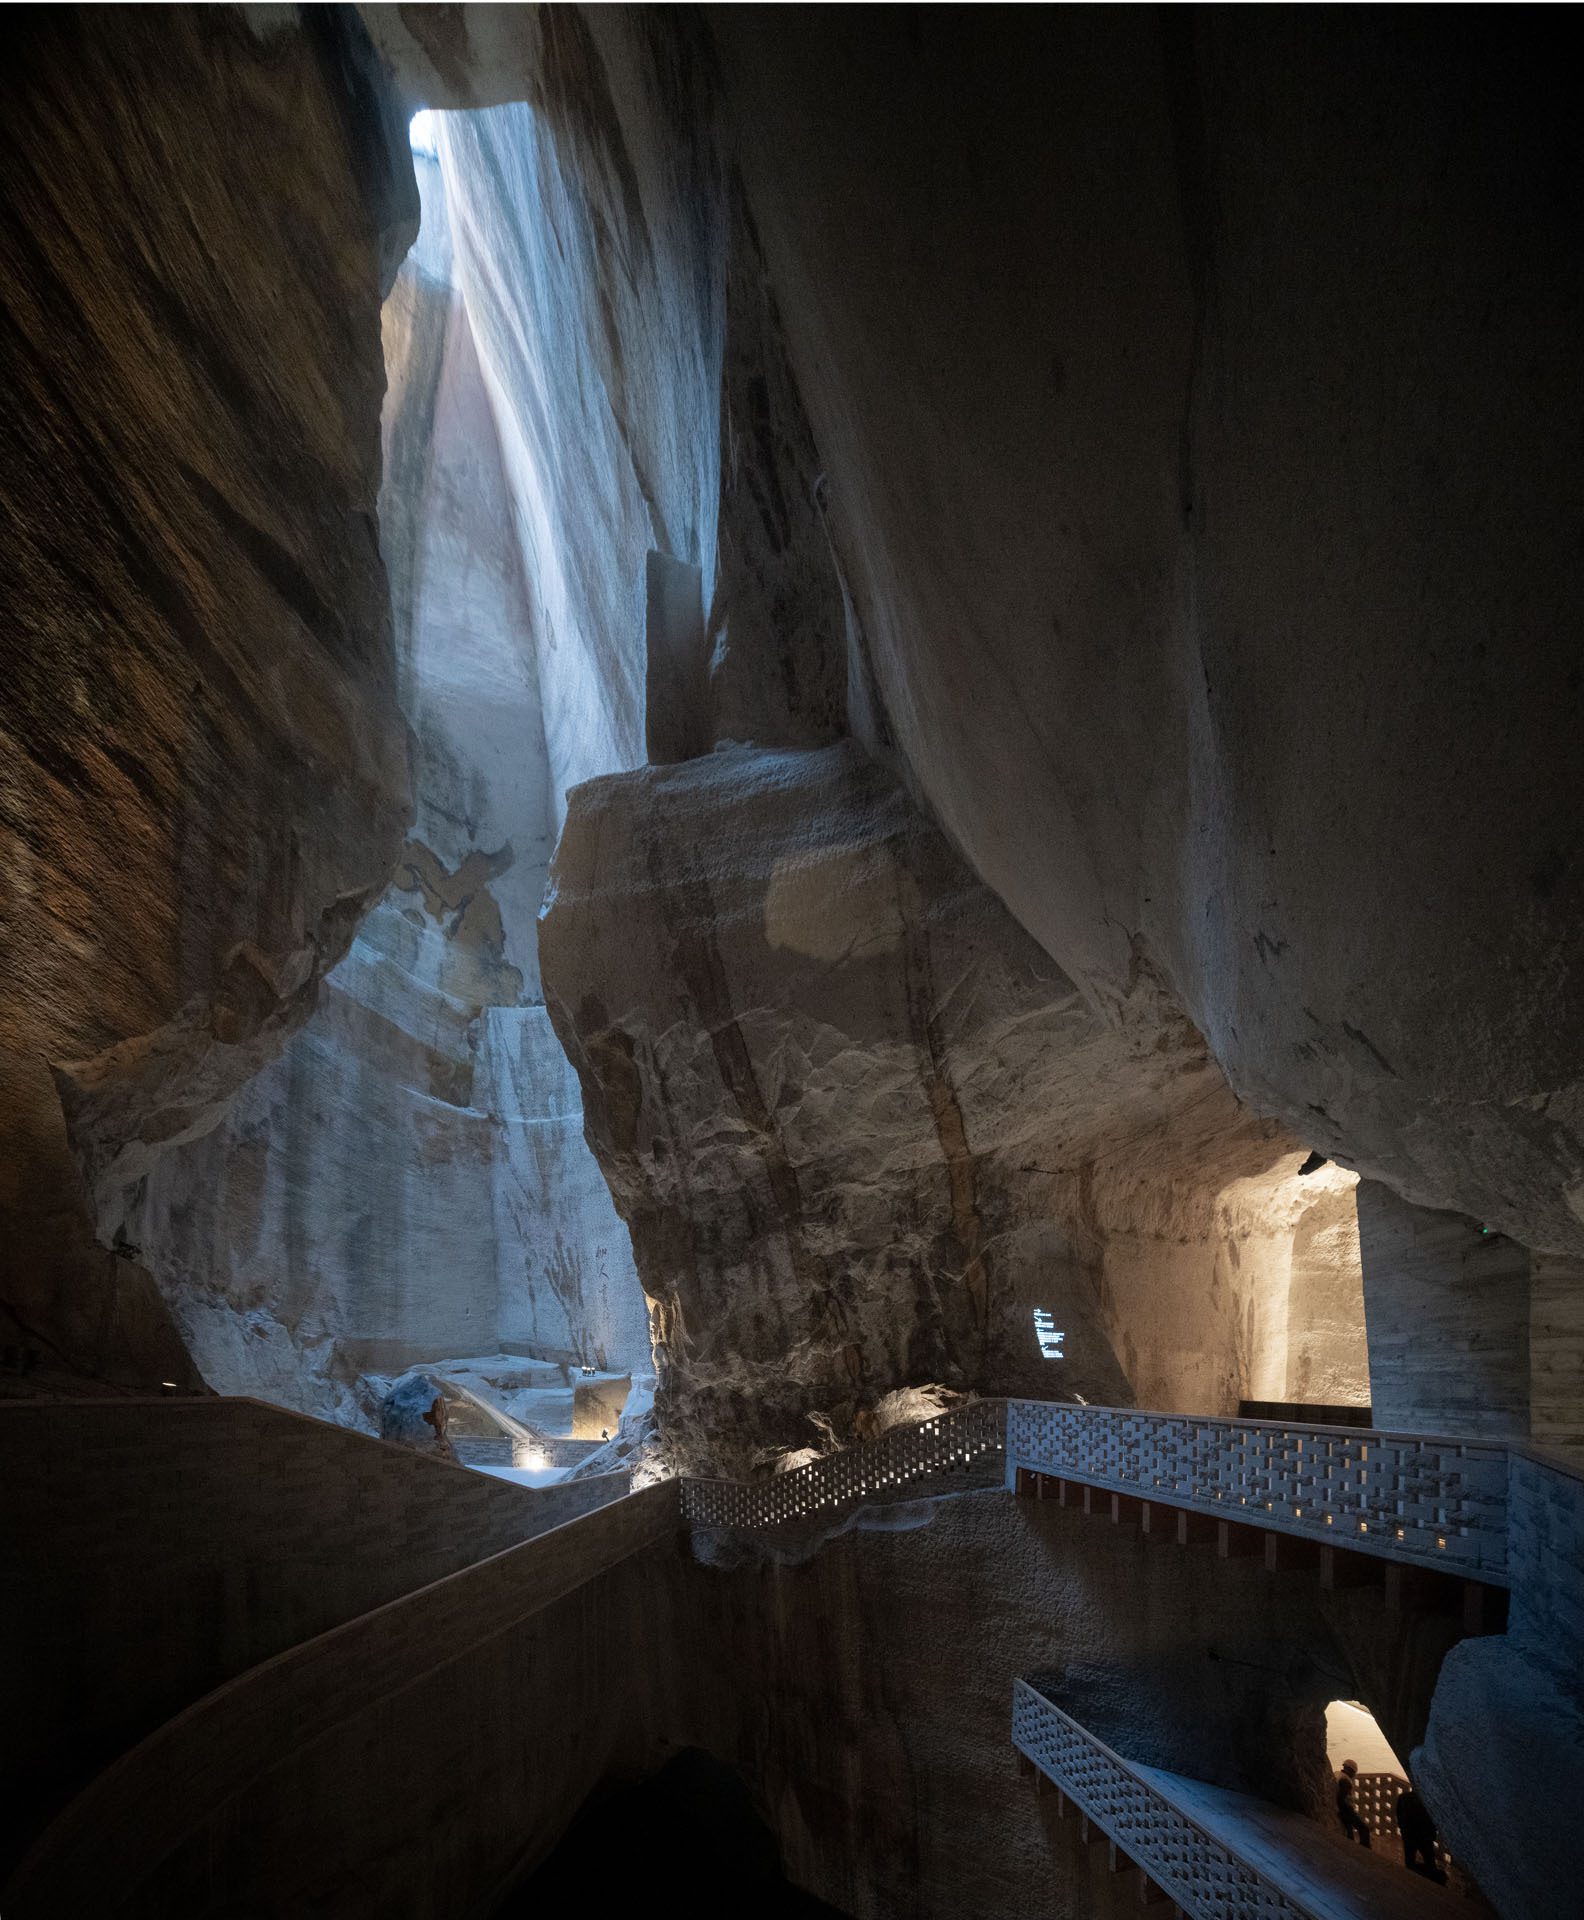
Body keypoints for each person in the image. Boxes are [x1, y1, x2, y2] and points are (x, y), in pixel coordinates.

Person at [1396, 1786, 1448, 1883]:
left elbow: (1399, 1815)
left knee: (1410, 1862)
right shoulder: (1428, 1801)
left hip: (1409, 1836)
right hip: (1424, 1838)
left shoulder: (1403, 1798)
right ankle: (1432, 1880)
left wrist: (1403, 1830)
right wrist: (1432, 1834)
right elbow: (1433, 1821)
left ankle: (1414, 1879)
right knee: (1430, 1862)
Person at [1336, 1760, 1372, 1847]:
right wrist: (1348, 1811)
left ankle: (1352, 1849)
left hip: (1339, 1810)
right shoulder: (1345, 1781)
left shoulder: (1337, 1774)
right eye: (1354, 1772)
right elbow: (1341, 1798)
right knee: (1364, 1829)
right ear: (1349, 1770)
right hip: (1346, 1810)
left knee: (1349, 1831)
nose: (1354, 1775)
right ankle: (1365, 1851)